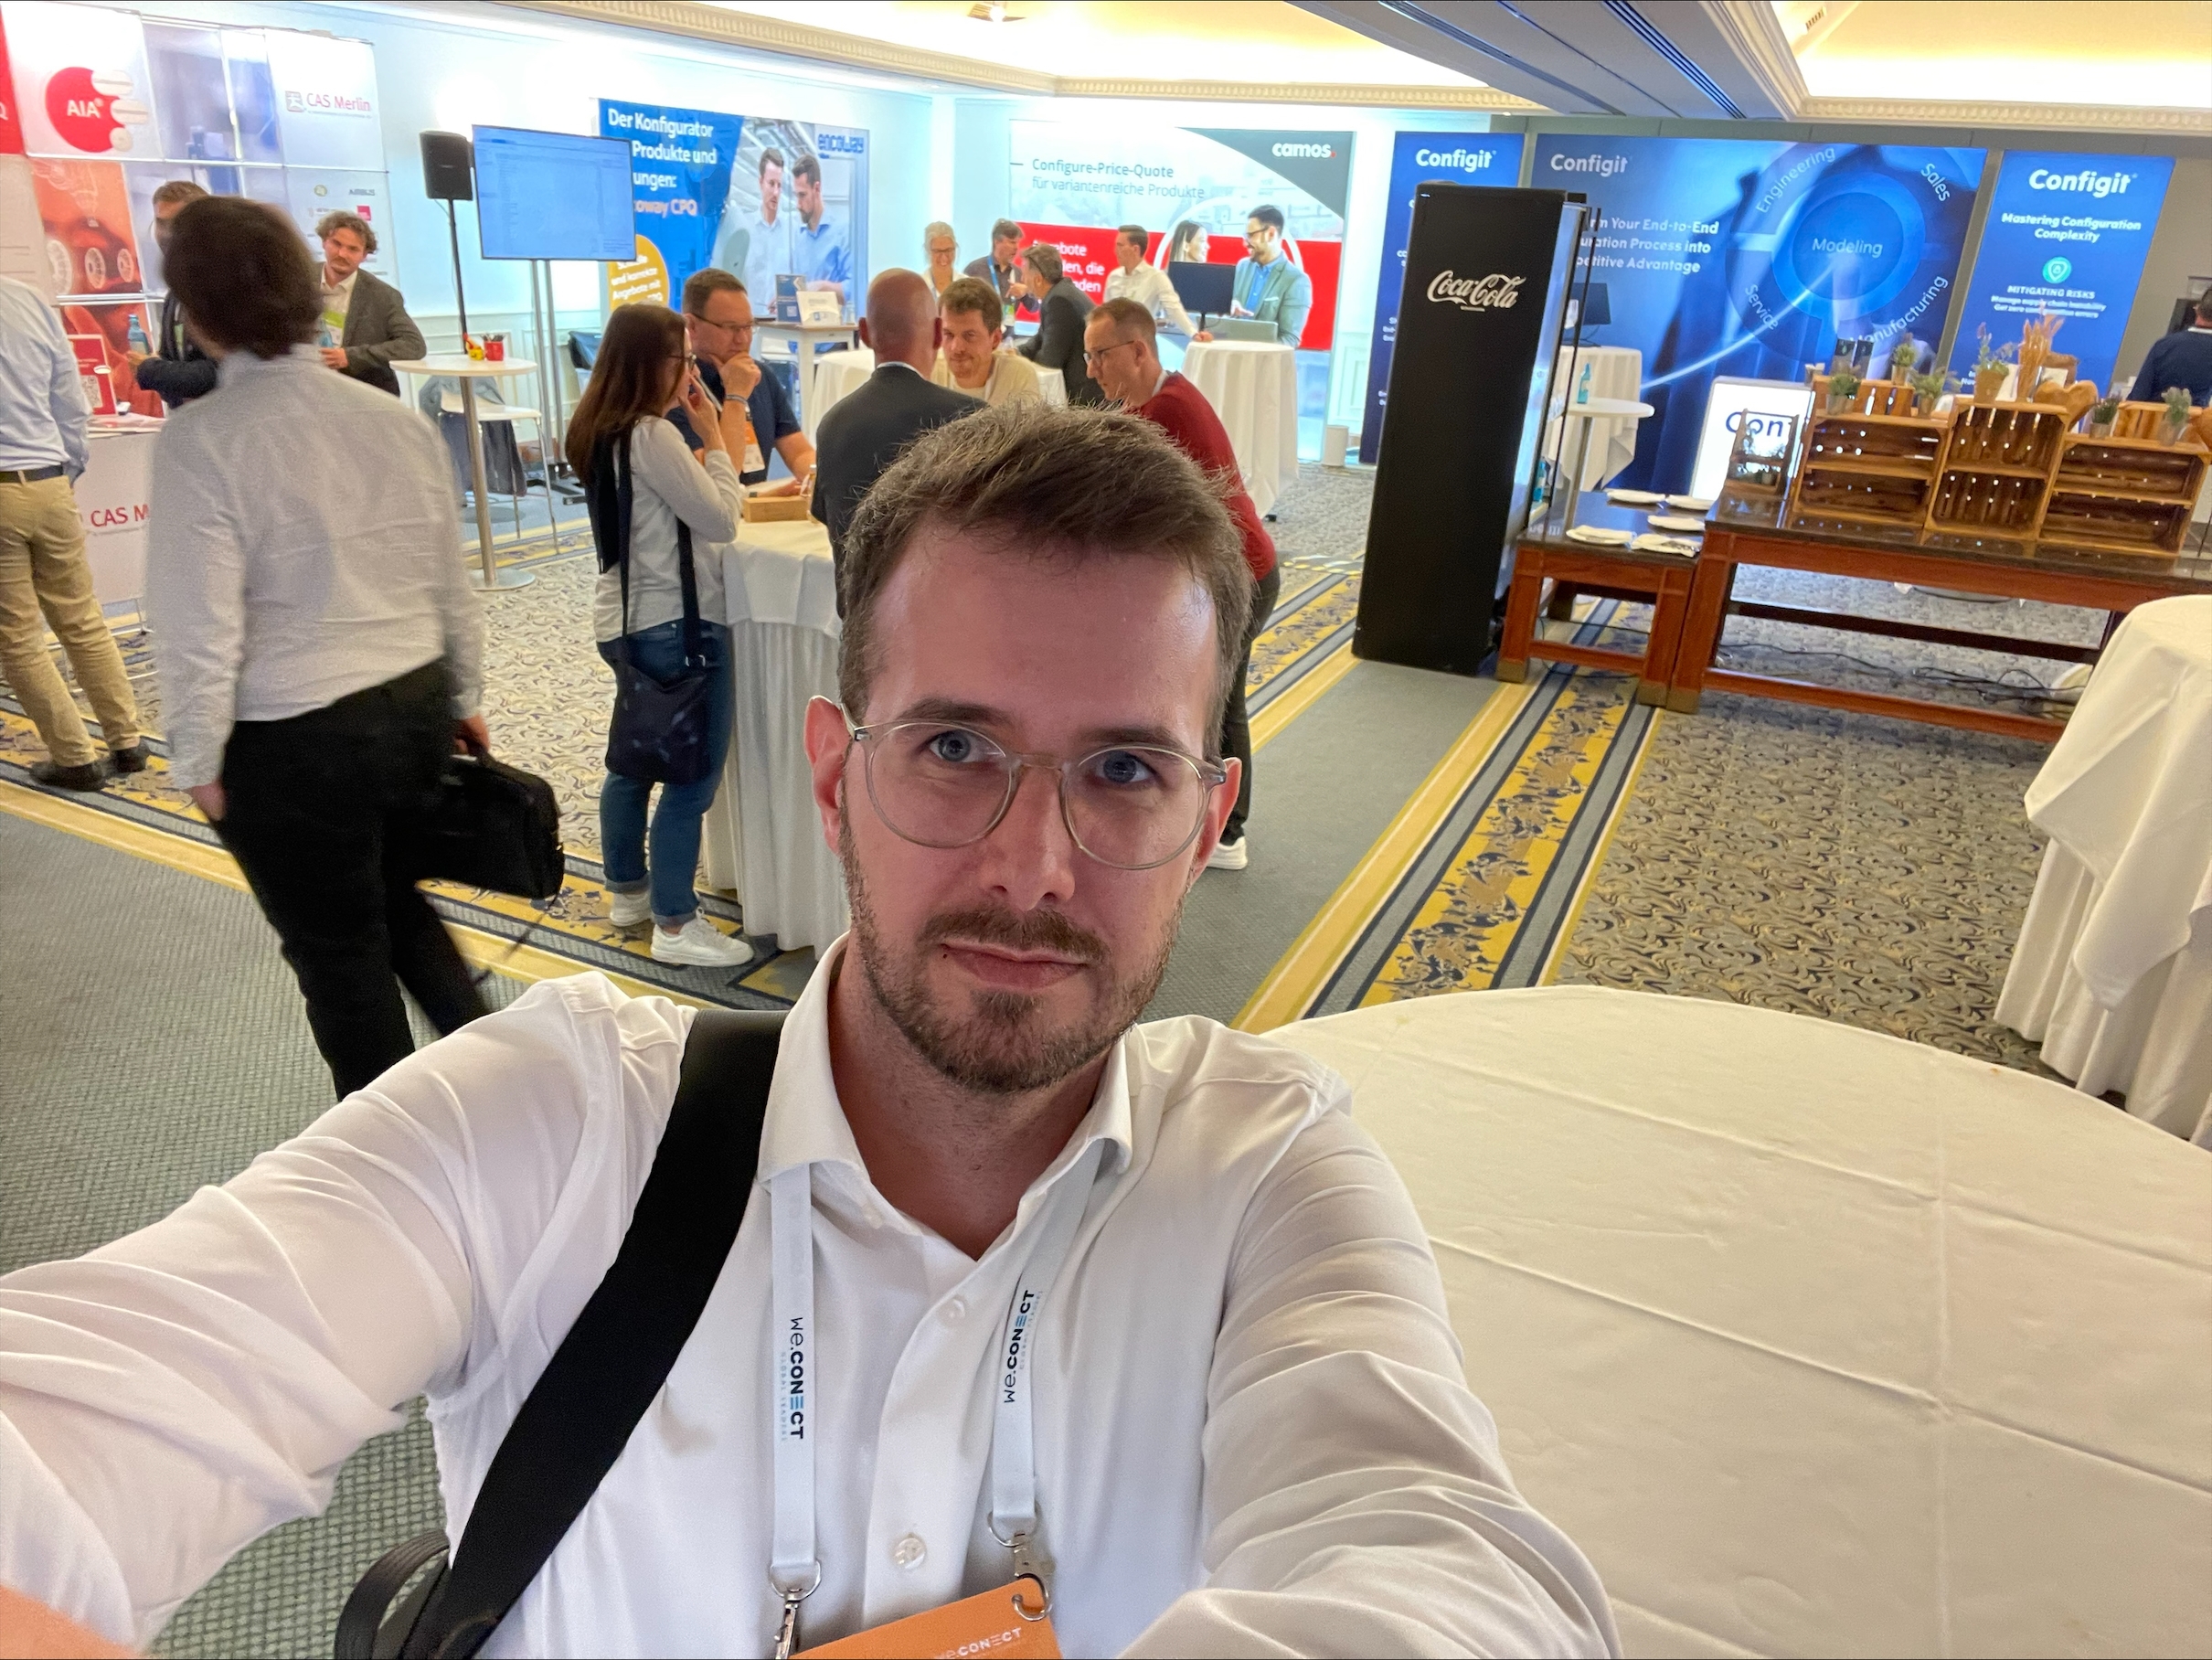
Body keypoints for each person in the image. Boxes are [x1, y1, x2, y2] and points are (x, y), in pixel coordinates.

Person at [0, 400, 1618, 1660]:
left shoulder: (1263, 1170)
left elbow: (1442, 1559)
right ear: (836, 776)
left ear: (1208, 824)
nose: (1032, 867)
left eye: (1125, 769)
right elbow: (89, 1416)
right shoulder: (554, 1124)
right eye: (957, 749)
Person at [143, 195, 486, 1097]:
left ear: (197, 310)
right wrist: (463, 696)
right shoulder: (391, 419)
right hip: (412, 704)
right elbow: (446, 577)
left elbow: (197, 628)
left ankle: (392, 1156)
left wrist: (196, 761)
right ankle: (507, 1096)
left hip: (290, 739)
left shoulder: (201, 441)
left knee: (340, 959)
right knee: (402, 910)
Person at [570, 303, 757, 970]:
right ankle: (676, 923)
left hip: (621, 618)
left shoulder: (595, 427)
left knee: (631, 763)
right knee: (691, 775)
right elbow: (722, 519)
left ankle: (629, 892)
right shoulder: (652, 435)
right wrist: (714, 440)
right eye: (682, 358)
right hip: (678, 625)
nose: (690, 370)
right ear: (653, 364)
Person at [1085, 298, 1278, 872]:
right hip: (1229, 569)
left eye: (1100, 356)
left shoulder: (1166, 413)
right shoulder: (1158, 400)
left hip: (1240, 576)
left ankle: (1229, 834)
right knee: (1207, 699)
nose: (1091, 370)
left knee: (1220, 703)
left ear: (1138, 351)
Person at [0, 274, 146, 792]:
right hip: (49, 481)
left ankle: (75, 759)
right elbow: (71, 400)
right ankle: (127, 742)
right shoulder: (26, 299)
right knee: (83, 619)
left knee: (18, 638)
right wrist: (66, 473)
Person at [812, 268, 978, 581]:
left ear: (864, 333)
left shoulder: (832, 425)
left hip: (858, 609)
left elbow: (828, 517)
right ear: (938, 332)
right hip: (941, 609)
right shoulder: (971, 419)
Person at [670, 267, 815, 487]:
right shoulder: (677, 387)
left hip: (754, 505)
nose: (743, 339)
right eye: (730, 328)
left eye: (748, 327)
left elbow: (798, 452)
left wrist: (816, 482)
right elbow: (714, 482)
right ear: (691, 326)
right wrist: (736, 396)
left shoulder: (760, 375)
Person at [123, 179, 218, 409]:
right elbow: (172, 371)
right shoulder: (175, 294)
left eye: (177, 224)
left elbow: (223, 372)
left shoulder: (224, 286)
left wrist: (151, 370)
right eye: (160, 223)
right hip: (190, 423)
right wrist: (160, 372)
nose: (166, 234)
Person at [313, 210, 424, 397]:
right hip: (306, 389)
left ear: (364, 255)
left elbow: (414, 345)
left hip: (363, 393)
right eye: (336, 244)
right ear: (324, 242)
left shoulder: (383, 296)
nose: (342, 254)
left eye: (353, 249)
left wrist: (350, 356)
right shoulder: (296, 280)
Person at [930, 274, 1042, 407]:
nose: (956, 348)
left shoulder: (1019, 377)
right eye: (949, 334)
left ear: (995, 339)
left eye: (969, 335)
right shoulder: (929, 373)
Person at [1014, 242, 1101, 406]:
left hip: (1085, 398)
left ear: (1038, 279)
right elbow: (1040, 339)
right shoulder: (1060, 293)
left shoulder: (1059, 301)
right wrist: (1015, 353)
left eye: (1024, 274)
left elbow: (1050, 359)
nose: (1022, 280)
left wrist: (1016, 367)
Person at [1231, 203, 1313, 348]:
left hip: (1264, 360)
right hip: (1230, 355)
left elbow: (1290, 339)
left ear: (1270, 234)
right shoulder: (1242, 267)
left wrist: (1252, 351)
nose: (1245, 243)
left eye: (1250, 235)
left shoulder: (1296, 281)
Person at [1103, 222, 1196, 337]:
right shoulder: (1114, 277)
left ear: (1135, 249)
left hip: (1140, 340)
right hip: (1113, 340)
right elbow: (1105, 313)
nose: (1115, 250)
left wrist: (1193, 333)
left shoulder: (1155, 277)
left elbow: (1174, 308)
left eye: (1120, 246)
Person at [2127, 293, 2212, 405]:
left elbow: (2137, 397)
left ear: (2197, 310)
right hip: (2197, 415)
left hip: (2153, 415)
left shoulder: (2164, 345)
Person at [738, 144, 794, 306]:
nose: (776, 192)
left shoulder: (792, 232)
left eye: (779, 185)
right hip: (750, 317)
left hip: (783, 319)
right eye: (771, 183)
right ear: (761, 182)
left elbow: (802, 279)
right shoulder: (745, 229)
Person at [790, 152, 851, 301]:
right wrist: (784, 297)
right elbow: (798, 287)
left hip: (832, 316)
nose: (798, 204)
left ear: (816, 188)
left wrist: (822, 287)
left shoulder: (842, 232)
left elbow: (853, 288)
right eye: (796, 196)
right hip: (801, 316)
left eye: (802, 195)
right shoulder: (798, 237)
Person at [963, 216, 1023, 307]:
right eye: (1012, 242)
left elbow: (1033, 307)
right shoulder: (975, 270)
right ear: (997, 242)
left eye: (1017, 242)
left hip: (1009, 316)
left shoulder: (1019, 273)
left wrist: (1025, 293)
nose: (1016, 247)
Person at [922, 219, 960, 299]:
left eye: (948, 250)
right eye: (937, 251)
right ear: (927, 250)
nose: (944, 257)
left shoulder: (967, 287)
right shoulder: (918, 286)